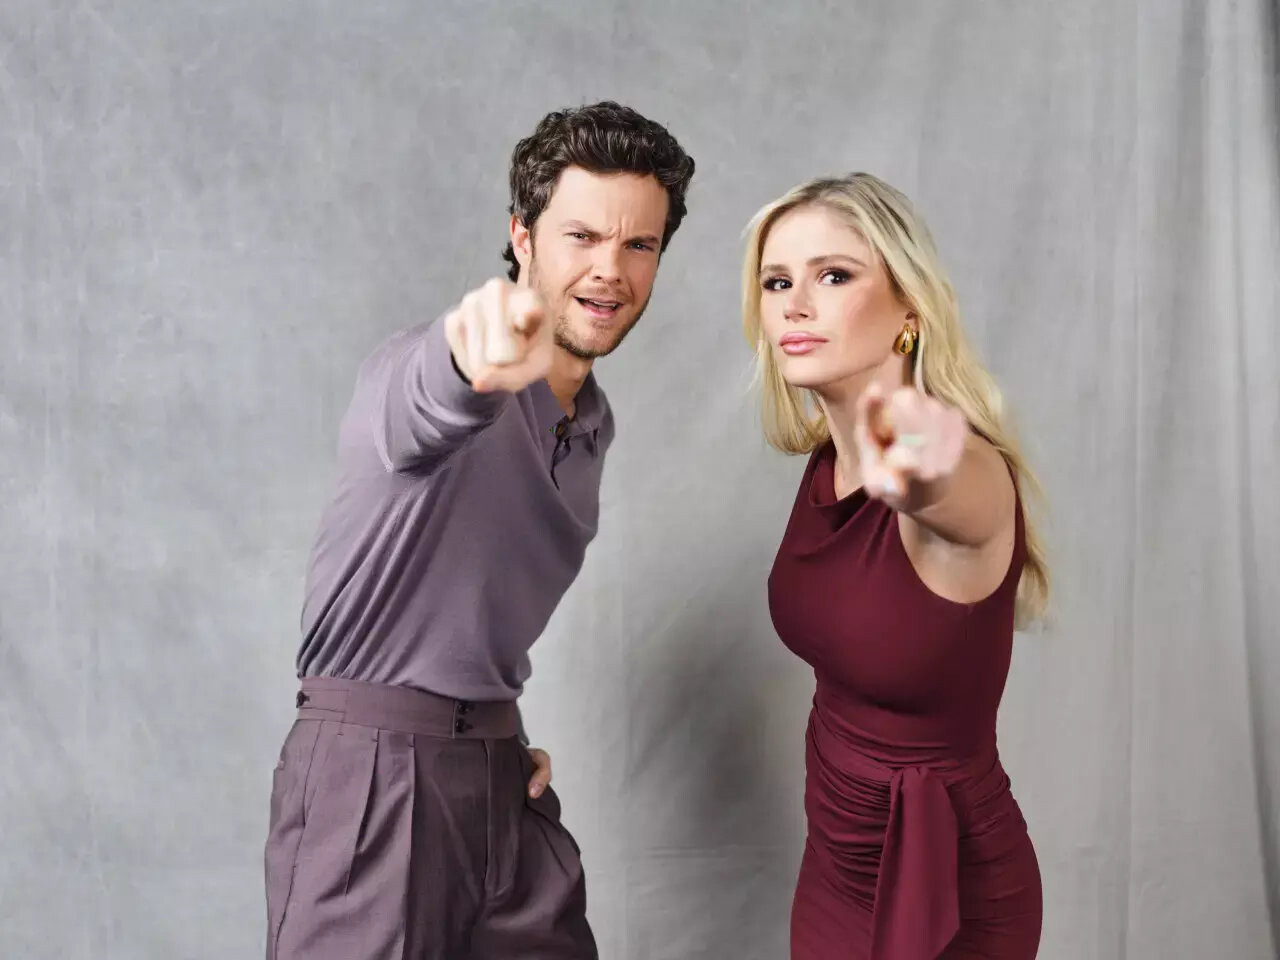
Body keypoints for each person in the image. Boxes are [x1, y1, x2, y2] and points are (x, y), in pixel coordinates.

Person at [264, 101, 694, 960]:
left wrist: (496, 740)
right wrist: (470, 362)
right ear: (523, 237)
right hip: (373, 780)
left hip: (495, 775)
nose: (610, 270)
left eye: (639, 245)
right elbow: (428, 396)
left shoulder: (593, 425)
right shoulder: (427, 369)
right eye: (582, 236)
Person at [742, 173, 1048, 959]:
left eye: (833, 276)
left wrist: (921, 466)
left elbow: (952, 492)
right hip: (835, 865)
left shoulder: (968, 472)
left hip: (952, 890)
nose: (795, 305)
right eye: (777, 282)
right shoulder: (825, 465)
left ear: (909, 309)